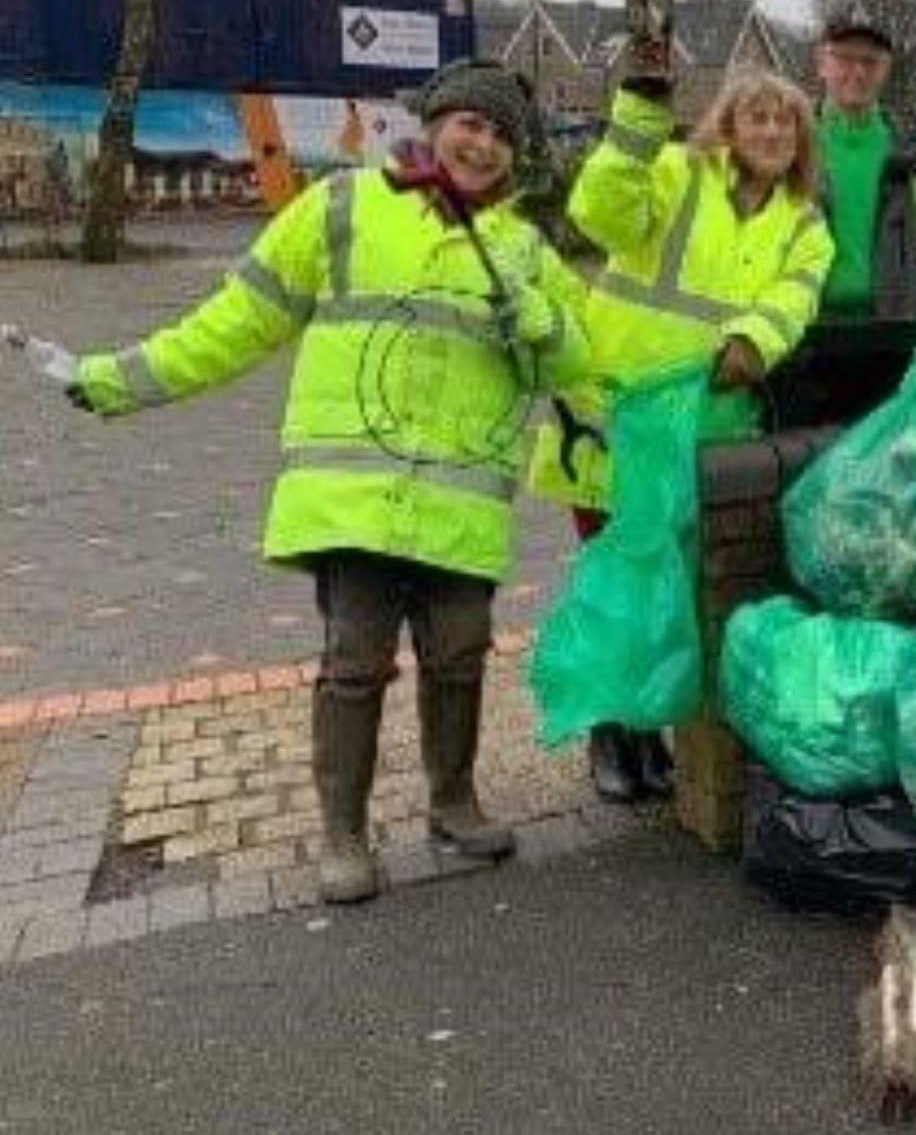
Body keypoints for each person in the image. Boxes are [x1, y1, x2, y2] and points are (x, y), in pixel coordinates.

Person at [64, 59, 591, 903]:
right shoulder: (341, 208)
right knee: (356, 664)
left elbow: (581, 358)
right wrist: (122, 379)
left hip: (461, 506)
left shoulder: (524, 247)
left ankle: (452, 803)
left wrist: (546, 325)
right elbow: (238, 320)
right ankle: (343, 834)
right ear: (434, 123)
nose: (483, 145)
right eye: (470, 124)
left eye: (500, 135)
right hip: (353, 503)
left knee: (459, 656)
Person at [529, 55, 834, 802]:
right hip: (618, 415)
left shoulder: (805, 225)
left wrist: (754, 342)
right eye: (755, 116)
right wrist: (637, 114)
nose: (770, 130)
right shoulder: (671, 171)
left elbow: (794, 299)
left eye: (784, 120)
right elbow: (600, 212)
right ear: (726, 126)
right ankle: (612, 733)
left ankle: (655, 732)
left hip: (707, 425)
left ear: (801, 141)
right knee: (619, 580)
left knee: (677, 588)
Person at [812, 14, 916, 322]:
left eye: (870, 61)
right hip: (806, 336)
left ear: (886, 69)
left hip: (898, 338)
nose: (858, 72)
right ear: (822, 64)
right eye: (844, 58)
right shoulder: (787, 150)